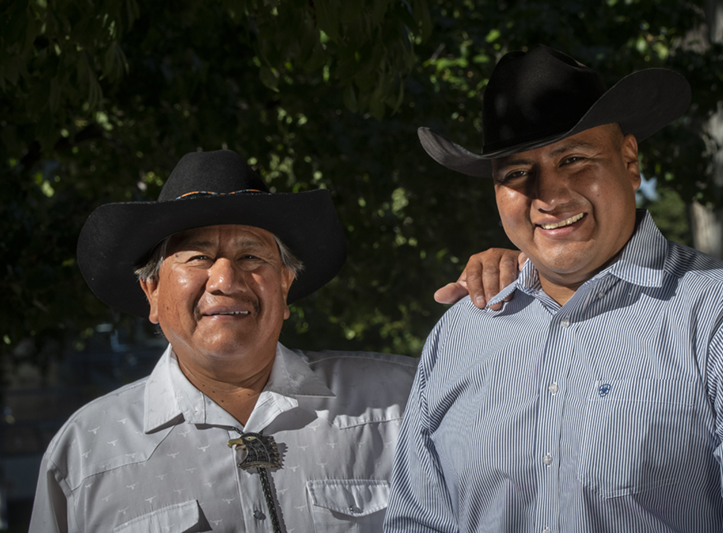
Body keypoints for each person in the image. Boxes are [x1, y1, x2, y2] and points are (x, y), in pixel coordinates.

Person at [384, 45, 723, 532]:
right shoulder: (460, 333)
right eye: (518, 173)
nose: (550, 195)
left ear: (628, 160)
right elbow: (417, 522)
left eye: (574, 158)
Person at [29, 150, 511, 532]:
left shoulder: (402, 405)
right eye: (197, 257)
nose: (225, 279)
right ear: (151, 292)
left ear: (285, 285)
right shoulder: (87, 454)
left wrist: (532, 294)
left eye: (252, 256)